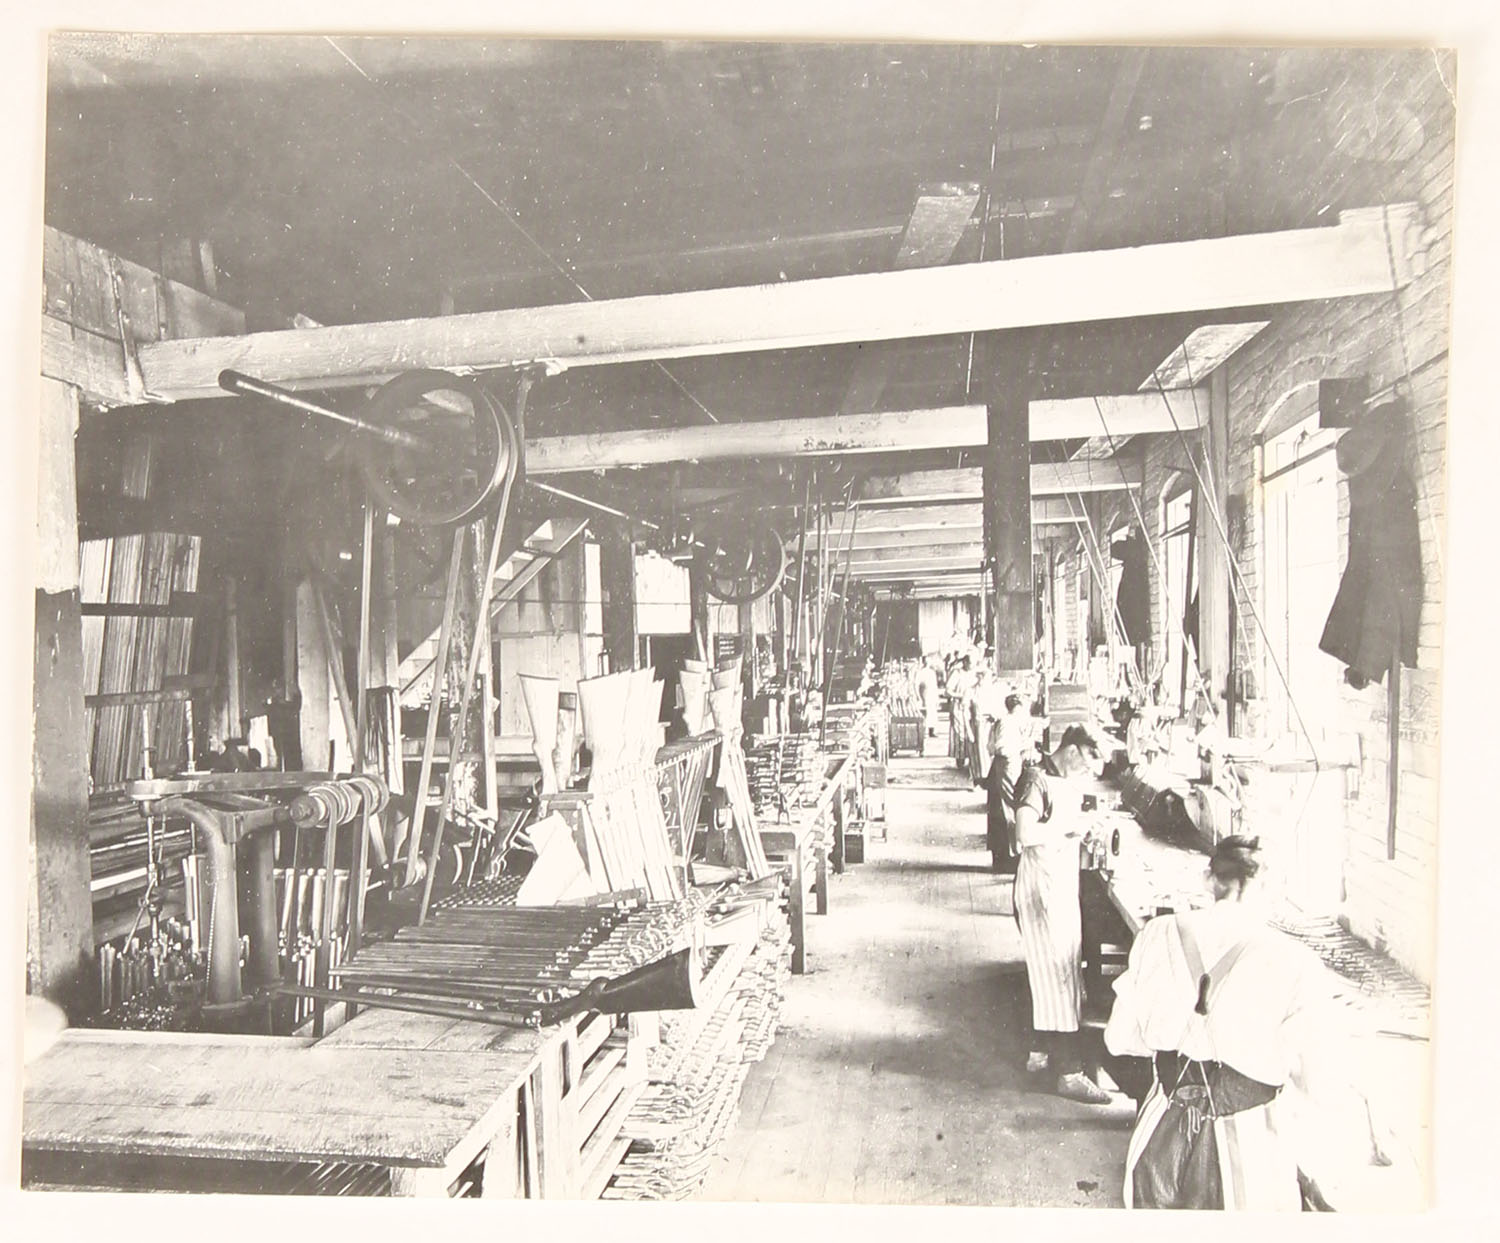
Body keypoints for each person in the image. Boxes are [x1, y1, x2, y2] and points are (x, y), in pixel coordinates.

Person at [1103, 835, 1397, 1210]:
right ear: (1271, 888)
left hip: (1159, 1142)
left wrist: (1180, 1033)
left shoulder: (1156, 933)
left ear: (1209, 879)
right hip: (1250, 1152)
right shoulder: (1295, 961)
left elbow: (1118, 1039)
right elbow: (1318, 1086)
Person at [1010, 724, 1112, 1104]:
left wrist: (1082, 832)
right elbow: (1024, 833)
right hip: (1041, 893)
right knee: (1059, 978)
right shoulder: (1035, 779)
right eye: (1086, 765)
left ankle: (1039, 1053)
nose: (1086, 774)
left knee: (1057, 973)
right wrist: (1072, 826)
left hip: (1058, 887)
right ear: (1072, 751)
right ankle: (1069, 1074)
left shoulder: (1061, 781)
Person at [985, 692, 1033, 874]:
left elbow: (991, 746)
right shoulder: (1007, 722)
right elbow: (1001, 747)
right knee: (1009, 808)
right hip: (1007, 766)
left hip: (1007, 766)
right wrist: (1024, 745)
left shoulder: (1007, 721)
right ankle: (1010, 858)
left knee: (1002, 808)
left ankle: (1005, 857)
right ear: (1018, 707)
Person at [915, 658, 941, 738]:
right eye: (925, 662)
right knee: (925, 713)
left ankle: (931, 731)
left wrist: (937, 697)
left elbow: (935, 685)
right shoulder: (920, 672)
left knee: (933, 713)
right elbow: (916, 684)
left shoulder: (932, 672)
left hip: (932, 694)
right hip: (924, 693)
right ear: (923, 662)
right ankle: (923, 732)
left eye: (928, 662)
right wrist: (918, 696)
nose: (927, 663)